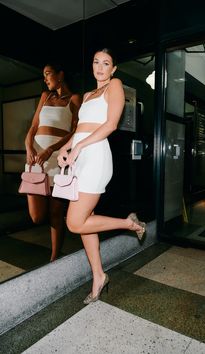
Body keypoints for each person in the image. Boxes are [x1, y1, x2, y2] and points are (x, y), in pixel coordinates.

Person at [57, 48, 146, 305]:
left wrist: (80, 148)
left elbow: (110, 125)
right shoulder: (86, 95)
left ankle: (130, 224)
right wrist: (66, 148)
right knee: (87, 220)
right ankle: (98, 276)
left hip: (95, 158)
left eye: (106, 63)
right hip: (80, 156)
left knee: (74, 223)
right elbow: (79, 130)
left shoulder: (114, 86)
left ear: (113, 69)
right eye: (96, 62)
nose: (100, 67)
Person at [25, 63, 81, 261]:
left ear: (60, 74)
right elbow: (33, 126)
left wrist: (51, 149)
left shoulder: (74, 99)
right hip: (36, 160)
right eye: (44, 75)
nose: (45, 78)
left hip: (57, 160)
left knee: (56, 214)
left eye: (48, 74)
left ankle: (54, 257)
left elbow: (75, 132)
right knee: (37, 217)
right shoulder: (45, 97)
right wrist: (28, 146)